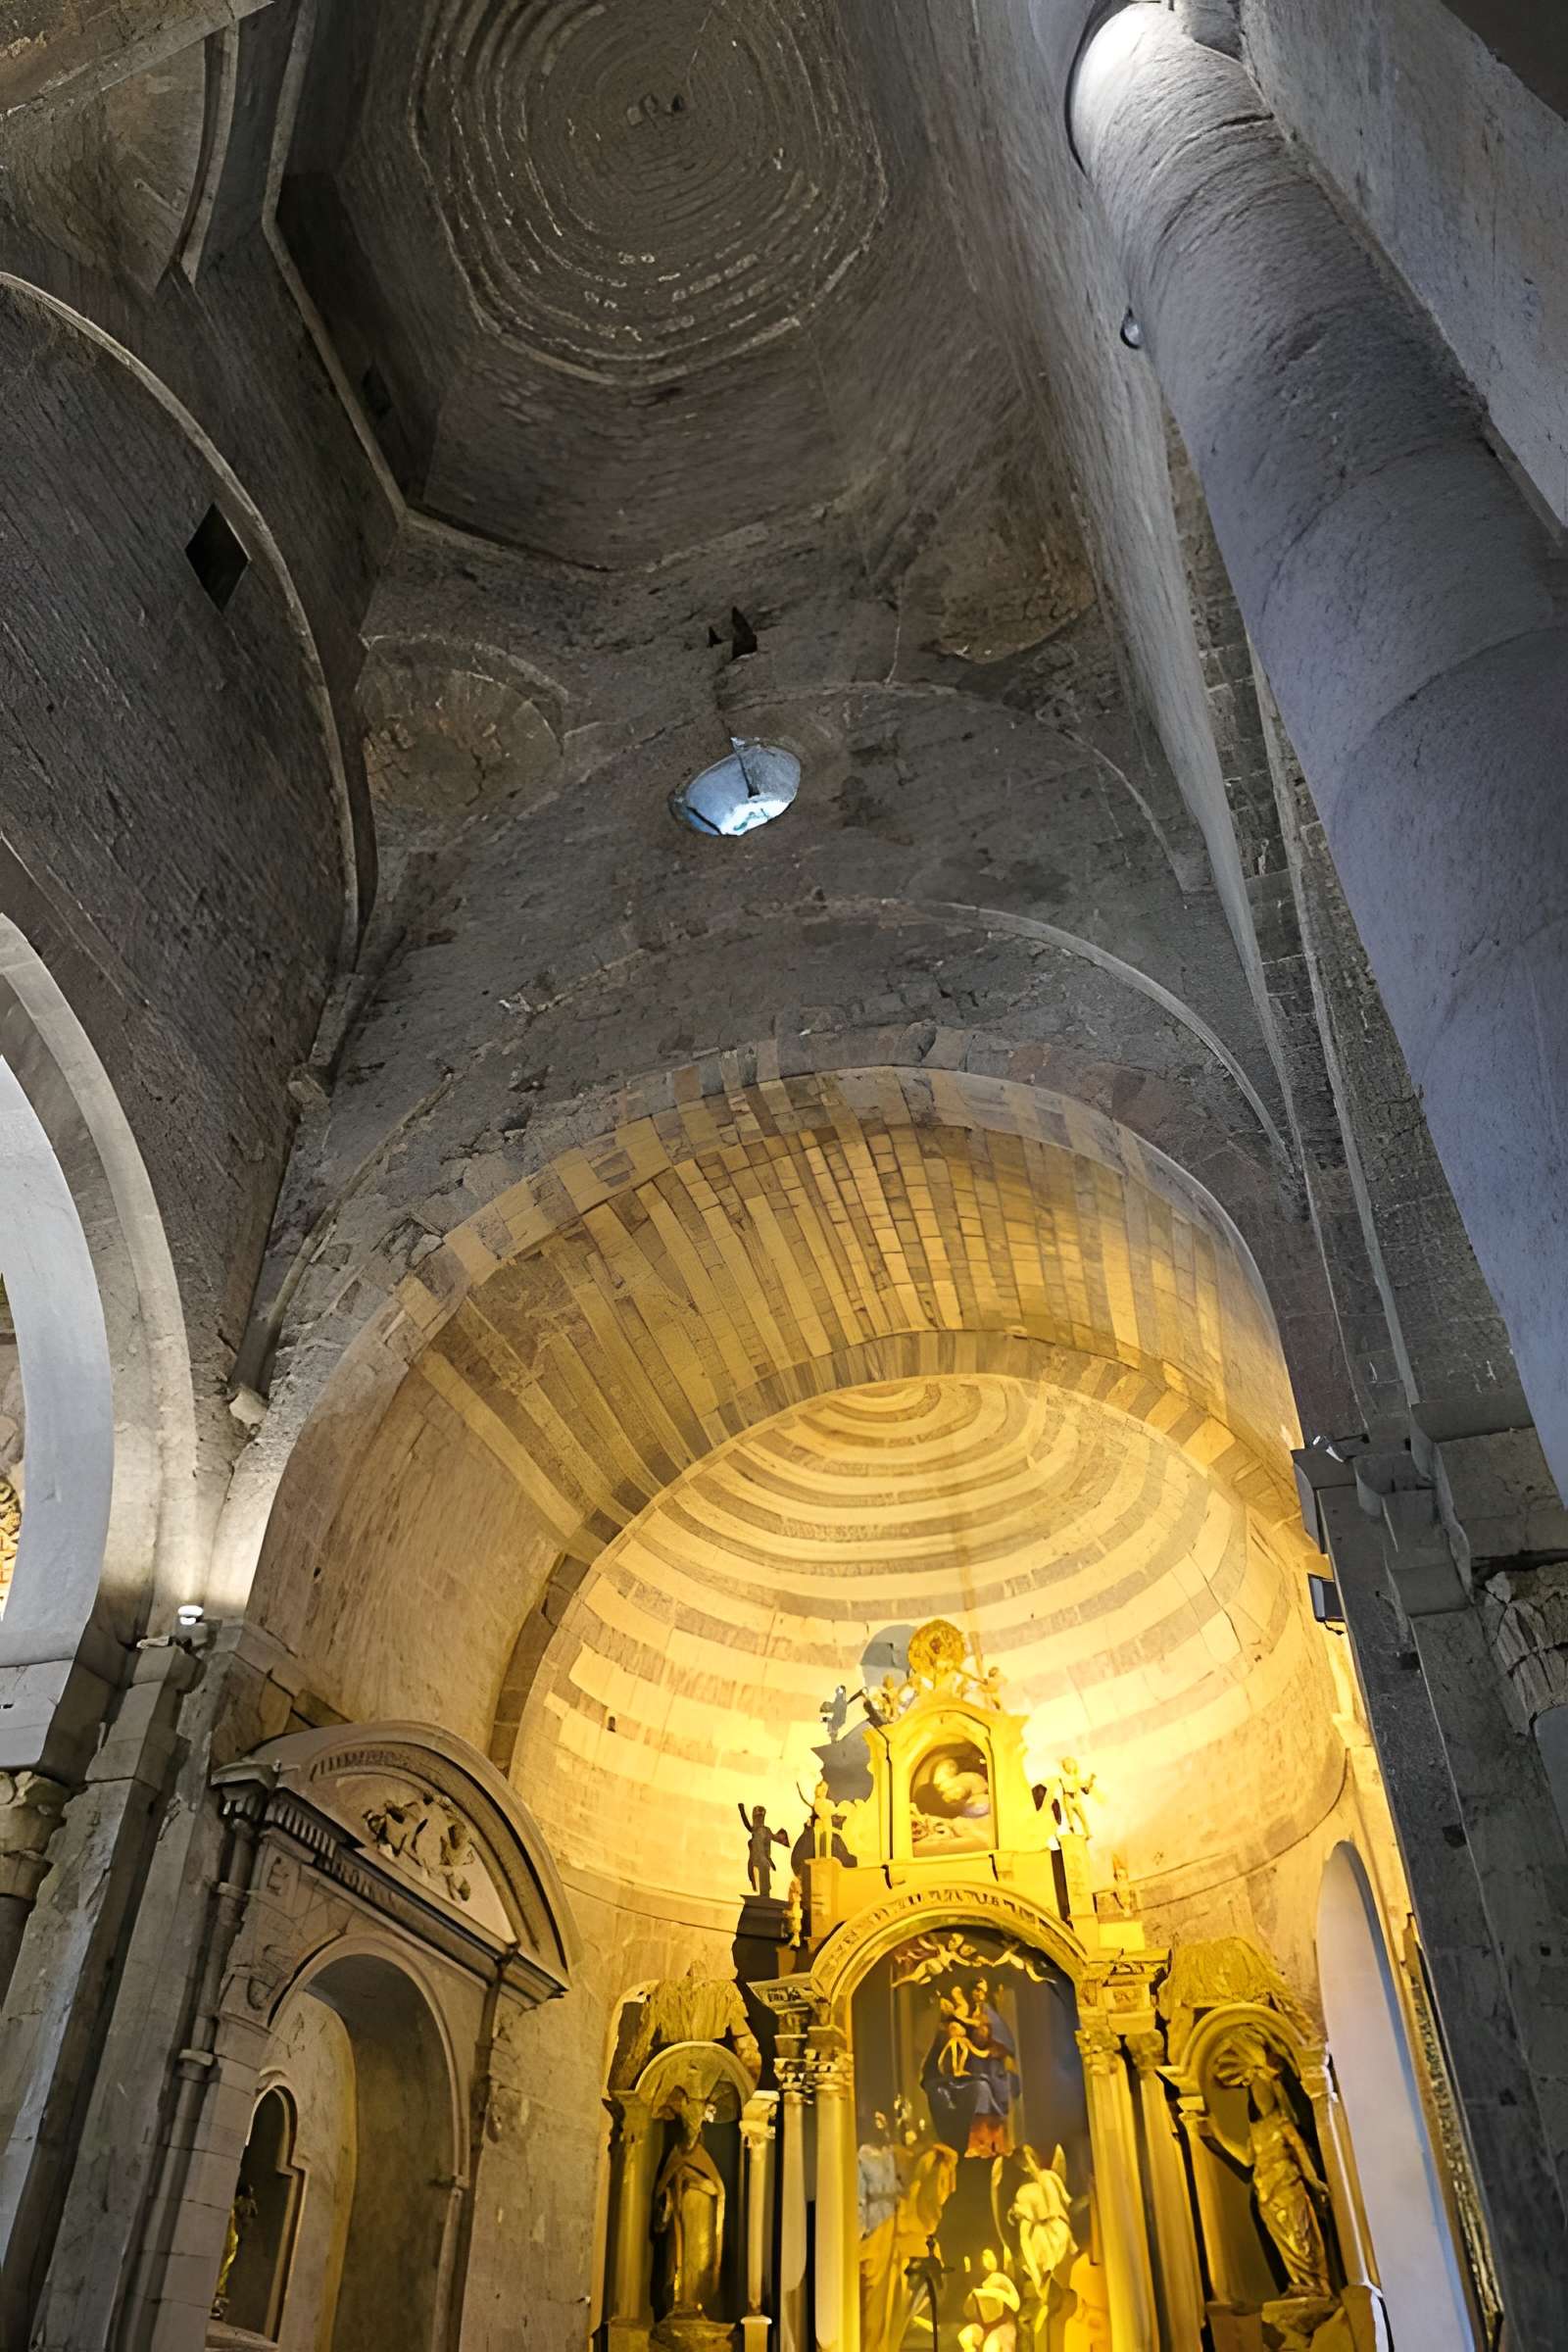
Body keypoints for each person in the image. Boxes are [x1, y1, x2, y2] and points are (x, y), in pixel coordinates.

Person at [737, 1801, 788, 1898]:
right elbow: (748, 1825)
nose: (759, 1819)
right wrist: (742, 1810)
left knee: (765, 1881)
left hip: (763, 1862)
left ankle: (764, 1894)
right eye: (757, 1817)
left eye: (760, 1817)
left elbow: (775, 1838)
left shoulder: (765, 1830)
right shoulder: (757, 1831)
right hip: (757, 1861)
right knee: (760, 1879)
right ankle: (762, 1893)